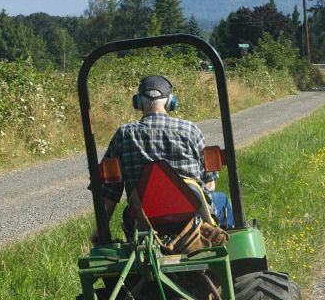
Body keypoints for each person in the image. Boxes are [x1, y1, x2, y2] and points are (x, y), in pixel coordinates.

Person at [91, 75, 232, 242]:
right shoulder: (190, 130)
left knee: (127, 213)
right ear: (170, 102)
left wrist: (101, 228)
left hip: (145, 220)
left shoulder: (124, 135)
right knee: (221, 199)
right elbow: (208, 182)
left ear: (138, 102)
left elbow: (111, 191)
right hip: (194, 218)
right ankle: (222, 244)